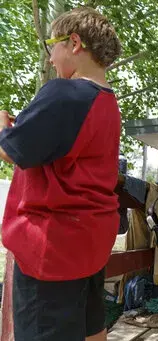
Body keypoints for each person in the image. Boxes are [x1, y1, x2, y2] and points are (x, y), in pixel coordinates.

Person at [0, 7, 122, 341]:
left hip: (52, 248)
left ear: (75, 42)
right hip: (90, 242)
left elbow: (13, 150)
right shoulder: (108, 103)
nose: (51, 58)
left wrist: (3, 127)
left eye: (51, 46)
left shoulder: (65, 92)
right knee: (91, 328)